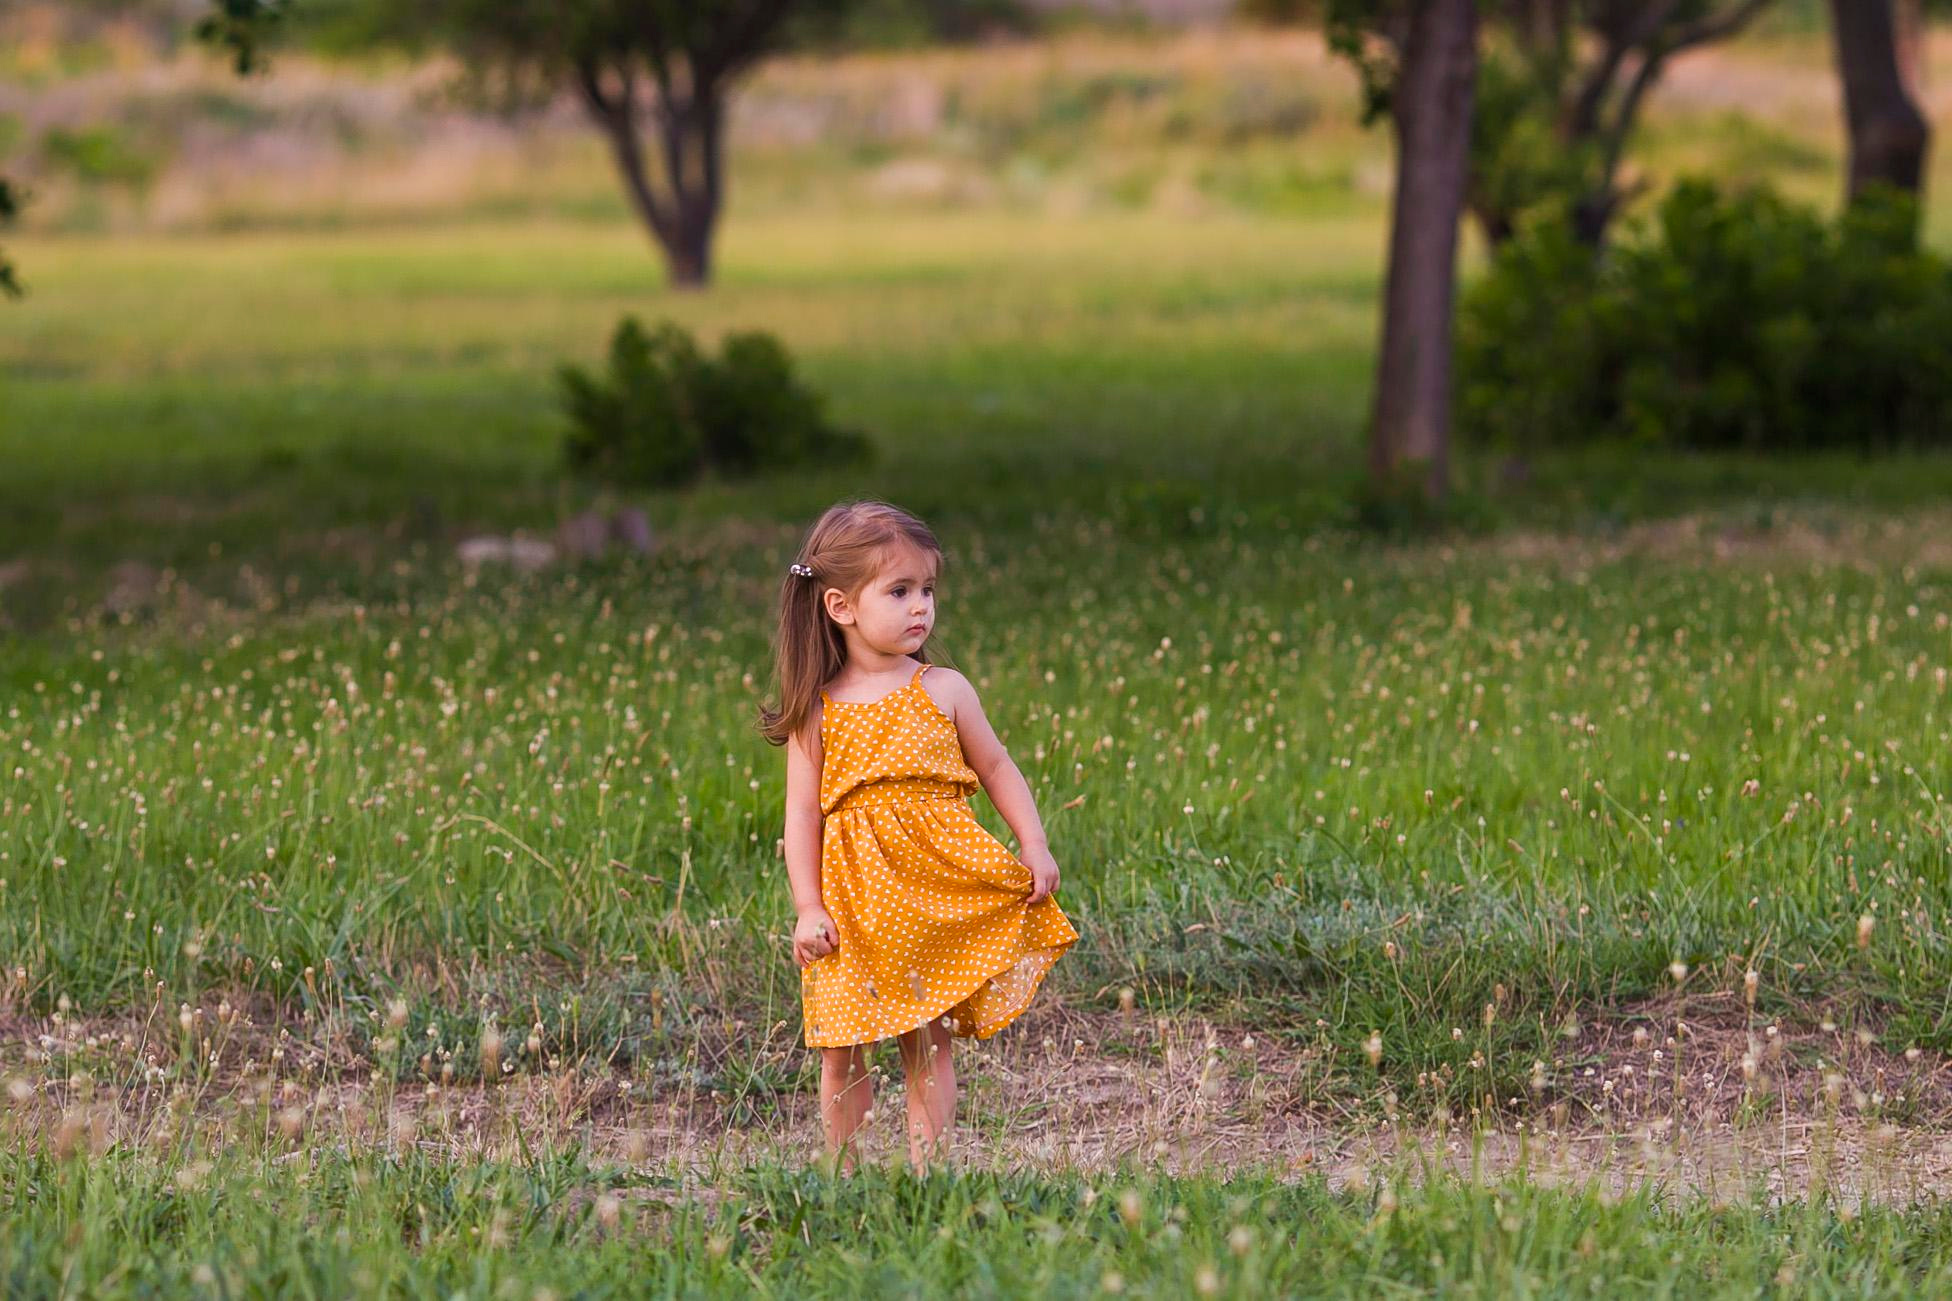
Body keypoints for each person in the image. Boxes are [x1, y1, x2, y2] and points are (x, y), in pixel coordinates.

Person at [757, 498, 1079, 1175]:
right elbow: (801, 816)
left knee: (928, 1040)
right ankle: (842, 1174)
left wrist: (1034, 842)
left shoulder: (945, 689)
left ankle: (929, 1173)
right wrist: (808, 906)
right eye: (899, 590)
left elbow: (997, 765)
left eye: (927, 589)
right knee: (841, 1047)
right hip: (852, 910)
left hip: (929, 900)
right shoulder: (816, 711)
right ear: (840, 606)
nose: (920, 606)